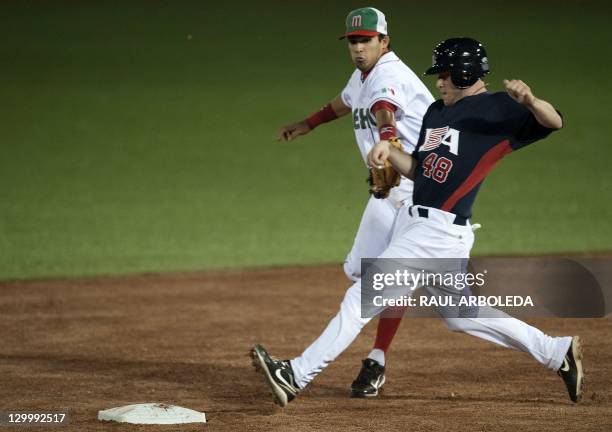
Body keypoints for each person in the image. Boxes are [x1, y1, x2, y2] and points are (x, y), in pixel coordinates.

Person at [251, 37, 584, 407]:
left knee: (359, 299)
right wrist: (390, 153)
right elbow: (421, 172)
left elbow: (555, 122)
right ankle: (557, 351)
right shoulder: (436, 113)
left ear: (465, 72)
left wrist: (531, 102)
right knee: (462, 316)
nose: (438, 83)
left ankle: (295, 375)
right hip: (424, 227)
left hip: (437, 232)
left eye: (444, 75)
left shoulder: (499, 109)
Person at [276, 6, 435, 397]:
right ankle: (376, 358)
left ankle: (371, 360)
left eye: (366, 40)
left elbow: (384, 110)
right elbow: (344, 102)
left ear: (385, 41)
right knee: (365, 276)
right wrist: (308, 124)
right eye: (353, 41)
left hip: (420, 194)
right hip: (386, 193)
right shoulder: (363, 74)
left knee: (380, 286)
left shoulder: (390, 74)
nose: (358, 48)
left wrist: (387, 135)